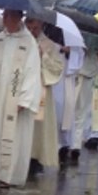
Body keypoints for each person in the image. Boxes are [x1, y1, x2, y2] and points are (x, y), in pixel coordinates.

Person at [0, 9, 41, 188]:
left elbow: (32, 71)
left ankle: (6, 176)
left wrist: (24, 99)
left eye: (9, 16)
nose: (5, 19)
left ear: (17, 18)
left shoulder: (28, 41)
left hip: (14, 99)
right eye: (4, 16)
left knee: (11, 137)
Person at [27, 14, 65, 174]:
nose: (32, 30)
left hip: (41, 91)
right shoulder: (21, 42)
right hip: (23, 90)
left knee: (38, 129)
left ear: (41, 25)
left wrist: (44, 56)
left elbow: (57, 69)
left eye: (35, 27)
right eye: (29, 27)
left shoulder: (51, 45)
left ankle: (35, 158)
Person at [55, 25, 88, 164]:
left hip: (66, 80)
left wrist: (68, 52)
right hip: (53, 80)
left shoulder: (75, 38)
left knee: (66, 113)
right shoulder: (50, 35)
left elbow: (79, 58)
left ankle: (65, 145)